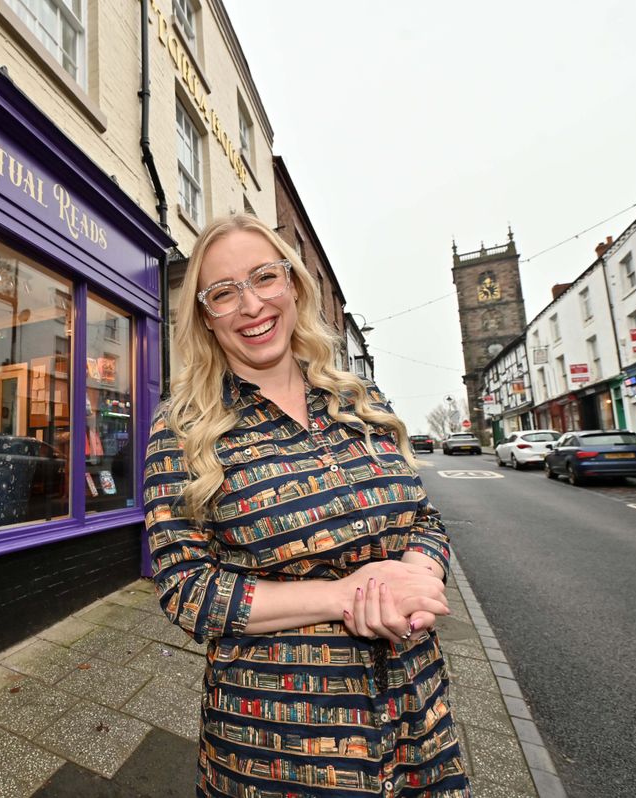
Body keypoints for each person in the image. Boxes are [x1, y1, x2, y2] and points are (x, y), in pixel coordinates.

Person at [144, 215, 470, 797]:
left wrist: (418, 574)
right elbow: (186, 590)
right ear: (205, 316)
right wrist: (346, 596)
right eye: (224, 292)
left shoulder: (357, 398)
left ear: (293, 284)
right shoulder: (183, 427)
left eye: (264, 277)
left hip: (418, 715)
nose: (251, 305)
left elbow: (423, 517)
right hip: (279, 749)